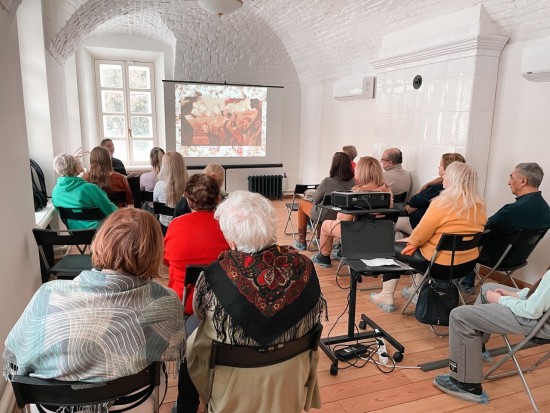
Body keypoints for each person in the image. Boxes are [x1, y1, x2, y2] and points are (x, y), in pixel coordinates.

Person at [3, 208, 185, 412]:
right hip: (131, 404)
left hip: (53, 406)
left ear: (100, 242)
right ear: (155, 253)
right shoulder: (166, 300)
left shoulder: (47, 294)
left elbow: (19, 357)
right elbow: (170, 352)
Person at [185, 191, 326, 413]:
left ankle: (186, 404)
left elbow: (200, 314)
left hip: (232, 386)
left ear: (230, 239)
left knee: (191, 326)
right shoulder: (305, 267)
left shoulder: (213, 275)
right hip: (290, 379)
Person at [370, 162, 487, 312]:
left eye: (446, 175)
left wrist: (410, 241)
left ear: (452, 179)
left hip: (440, 265)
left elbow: (419, 236)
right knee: (419, 246)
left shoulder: (441, 203)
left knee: (394, 248)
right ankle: (415, 291)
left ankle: (386, 296)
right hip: (466, 264)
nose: (442, 177)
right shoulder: (480, 205)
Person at [433, 268, 550, 404]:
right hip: (541, 316)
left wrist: (501, 299)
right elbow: (542, 292)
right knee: (487, 289)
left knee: (459, 316)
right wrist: (515, 295)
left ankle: (466, 384)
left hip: (540, 324)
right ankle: (476, 349)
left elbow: (530, 311)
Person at [460, 162, 550, 291]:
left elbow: (482, 227)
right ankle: (466, 282)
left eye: (511, 177)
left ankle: (465, 283)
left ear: (523, 181)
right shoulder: (546, 210)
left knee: (467, 240)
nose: (509, 182)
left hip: (497, 258)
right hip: (518, 259)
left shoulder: (513, 210)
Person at [164, 174, 229, 315]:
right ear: (218, 199)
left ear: (188, 201)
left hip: (183, 303)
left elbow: (166, 261)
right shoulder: (228, 227)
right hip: (220, 303)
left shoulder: (176, 225)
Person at [311, 156, 393, 268]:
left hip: (357, 234)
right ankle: (341, 251)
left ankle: (324, 257)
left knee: (326, 225)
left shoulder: (357, 194)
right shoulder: (387, 192)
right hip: (381, 236)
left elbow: (345, 220)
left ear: (361, 172)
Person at [294, 152, 355, 250]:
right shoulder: (354, 182)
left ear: (334, 165)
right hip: (342, 216)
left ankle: (301, 241)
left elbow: (315, 199)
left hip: (325, 214)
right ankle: (318, 237)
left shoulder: (328, 181)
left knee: (302, 205)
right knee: (322, 209)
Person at [395, 153, 466, 236]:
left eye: (441, 165)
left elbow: (414, 201)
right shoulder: (463, 190)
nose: (438, 167)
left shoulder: (439, 187)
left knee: (391, 223)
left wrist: (413, 206)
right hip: (440, 230)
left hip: (423, 227)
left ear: (448, 169)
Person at [51, 153, 117, 229]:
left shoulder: (55, 191)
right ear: (76, 167)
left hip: (75, 233)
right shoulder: (90, 188)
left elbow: (63, 217)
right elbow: (111, 211)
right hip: (99, 233)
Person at [154, 151, 189, 233]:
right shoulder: (190, 186)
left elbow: (155, 206)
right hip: (184, 227)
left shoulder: (159, 185)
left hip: (164, 228)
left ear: (164, 167)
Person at [140, 147, 165, 212]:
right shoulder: (171, 178)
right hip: (167, 213)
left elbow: (142, 194)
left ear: (151, 161)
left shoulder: (143, 177)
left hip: (150, 212)